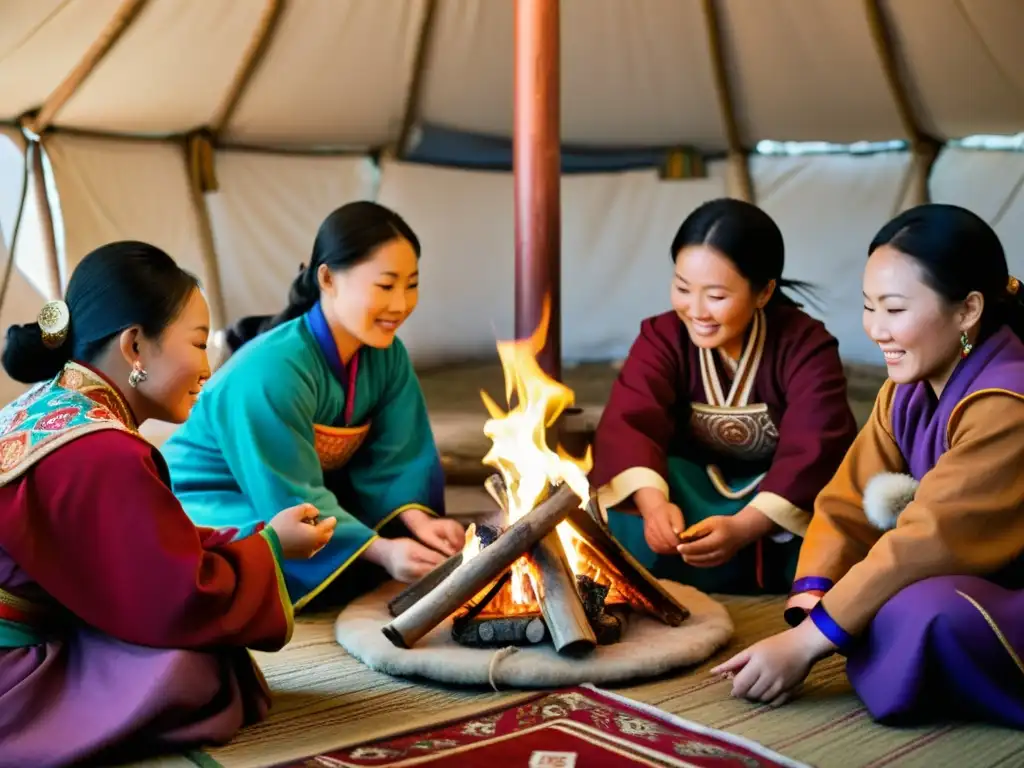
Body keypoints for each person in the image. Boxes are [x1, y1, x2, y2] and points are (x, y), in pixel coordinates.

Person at [0, 242, 335, 766]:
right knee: (198, 667)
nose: (208, 366)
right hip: (10, 670)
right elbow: (175, 596)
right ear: (135, 346)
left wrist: (253, 537)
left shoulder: (45, 405)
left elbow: (141, 550)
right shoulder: (100, 449)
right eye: (199, 343)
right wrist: (271, 547)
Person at [713, 203, 1024, 729]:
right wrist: (815, 596)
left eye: (895, 310)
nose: (876, 329)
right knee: (879, 602)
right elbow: (848, 496)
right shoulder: (904, 391)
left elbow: (930, 538)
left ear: (968, 310)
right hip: (945, 569)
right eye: (868, 306)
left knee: (921, 612)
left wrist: (806, 645)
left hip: (1004, 587)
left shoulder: (1007, 400)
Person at [163, 201, 464, 612]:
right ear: (327, 278)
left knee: (391, 551)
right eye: (386, 285)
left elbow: (398, 458)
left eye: (411, 285)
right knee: (256, 565)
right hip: (214, 497)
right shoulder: (271, 369)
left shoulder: (387, 356)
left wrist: (419, 523)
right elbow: (287, 492)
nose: (401, 304)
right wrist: (383, 550)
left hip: (297, 493)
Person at [590, 198, 858, 595]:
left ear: (764, 292)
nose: (695, 310)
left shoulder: (805, 345)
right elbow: (629, 422)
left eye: (716, 296)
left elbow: (817, 444)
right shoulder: (662, 337)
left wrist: (746, 526)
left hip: (774, 503)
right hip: (688, 492)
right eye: (682, 288)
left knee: (834, 509)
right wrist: (653, 506)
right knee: (628, 497)